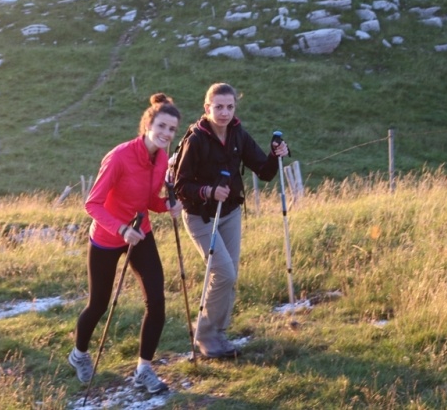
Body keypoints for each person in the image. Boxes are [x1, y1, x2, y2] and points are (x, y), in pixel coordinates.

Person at [68, 93, 182, 395]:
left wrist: (168, 205)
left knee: (156, 301)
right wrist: (121, 229)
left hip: (140, 233)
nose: (166, 133)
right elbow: (92, 204)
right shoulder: (119, 157)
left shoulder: (161, 160)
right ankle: (79, 353)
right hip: (107, 237)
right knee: (99, 304)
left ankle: (144, 369)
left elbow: (148, 200)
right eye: (161, 126)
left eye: (172, 129)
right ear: (147, 125)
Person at [173, 83, 288, 358]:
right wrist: (209, 191)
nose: (224, 113)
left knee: (228, 277)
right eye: (218, 107)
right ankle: (205, 335)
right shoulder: (196, 139)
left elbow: (264, 172)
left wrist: (275, 155)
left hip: (230, 213)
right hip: (200, 216)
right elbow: (180, 186)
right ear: (207, 108)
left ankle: (218, 334)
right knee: (223, 273)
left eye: (229, 107)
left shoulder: (238, 133)